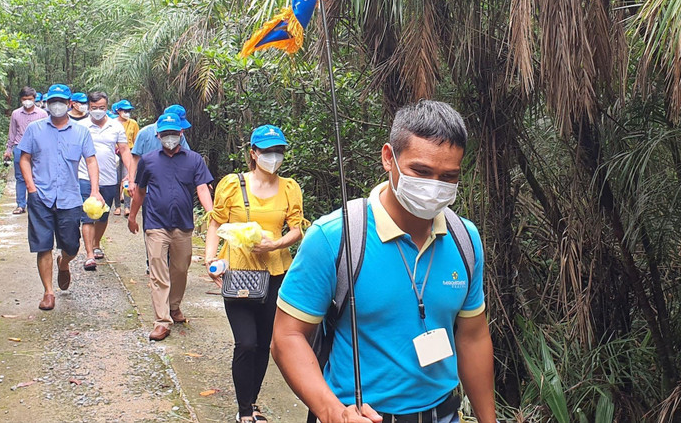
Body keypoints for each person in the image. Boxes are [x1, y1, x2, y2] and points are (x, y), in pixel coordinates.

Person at [271, 100, 497, 423]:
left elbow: (472, 336)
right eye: (421, 172)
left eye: (448, 176)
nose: (434, 187)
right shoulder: (336, 237)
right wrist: (333, 412)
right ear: (388, 157)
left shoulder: (465, 239)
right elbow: (287, 336)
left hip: (445, 414)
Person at [205, 124, 308, 423]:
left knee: (264, 344)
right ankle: (244, 411)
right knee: (246, 342)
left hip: (275, 273)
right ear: (253, 153)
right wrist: (210, 258)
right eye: (267, 151)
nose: (274, 157)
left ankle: (251, 403)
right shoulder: (232, 185)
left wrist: (275, 244)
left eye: (279, 151)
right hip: (237, 272)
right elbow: (215, 223)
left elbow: (297, 229)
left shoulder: (290, 188)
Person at [127, 112, 214, 341]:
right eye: (165, 134)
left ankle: (174, 306)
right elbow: (140, 191)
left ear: (181, 133)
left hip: (183, 225)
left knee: (180, 268)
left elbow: (202, 188)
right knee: (158, 272)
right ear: (158, 135)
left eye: (173, 133)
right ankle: (162, 321)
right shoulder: (148, 160)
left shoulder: (194, 159)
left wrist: (211, 214)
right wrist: (133, 216)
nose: (169, 138)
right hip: (156, 224)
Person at [18, 84, 103, 312]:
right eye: (53, 101)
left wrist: (95, 190)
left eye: (61, 101)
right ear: (47, 104)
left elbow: (91, 161)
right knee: (43, 245)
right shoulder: (34, 129)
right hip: (41, 196)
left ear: (69, 104)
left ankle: (64, 263)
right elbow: (24, 158)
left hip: (70, 198)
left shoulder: (81, 132)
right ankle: (48, 292)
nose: (57, 105)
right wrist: (31, 188)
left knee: (72, 246)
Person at [130, 104, 193, 274]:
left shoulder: (179, 136)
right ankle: (152, 261)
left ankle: (170, 262)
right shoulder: (144, 133)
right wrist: (132, 181)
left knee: (174, 228)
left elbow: (186, 157)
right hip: (149, 190)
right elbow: (135, 158)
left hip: (173, 189)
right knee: (152, 228)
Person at [77, 91, 132, 271]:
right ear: (89, 107)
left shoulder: (116, 126)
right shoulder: (81, 126)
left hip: (109, 178)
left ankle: (96, 243)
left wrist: (131, 173)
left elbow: (124, 150)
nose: (98, 111)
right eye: (94, 108)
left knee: (102, 215)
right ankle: (89, 255)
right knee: (87, 216)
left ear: (107, 107)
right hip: (85, 177)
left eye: (101, 107)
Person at [4, 87, 48, 214]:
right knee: (20, 177)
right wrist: (8, 149)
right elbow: (12, 132)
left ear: (34, 99)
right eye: (24, 99)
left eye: (29, 99)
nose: (27, 101)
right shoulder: (16, 114)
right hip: (20, 147)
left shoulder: (42, 114)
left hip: (38, 147)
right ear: (21, 100)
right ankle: (21, 205)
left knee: (39, 175)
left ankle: (38, 203)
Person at [114, 99, 139, 216]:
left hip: (128, 153)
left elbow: (136, 140)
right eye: (124, 110)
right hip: (114, 154)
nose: (127, 113)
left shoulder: (133, 123)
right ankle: (117, 206)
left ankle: (127, 207)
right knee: (116, 180)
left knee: (127, 178)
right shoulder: (112, 123)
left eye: (128, 110)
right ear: (118, 111)